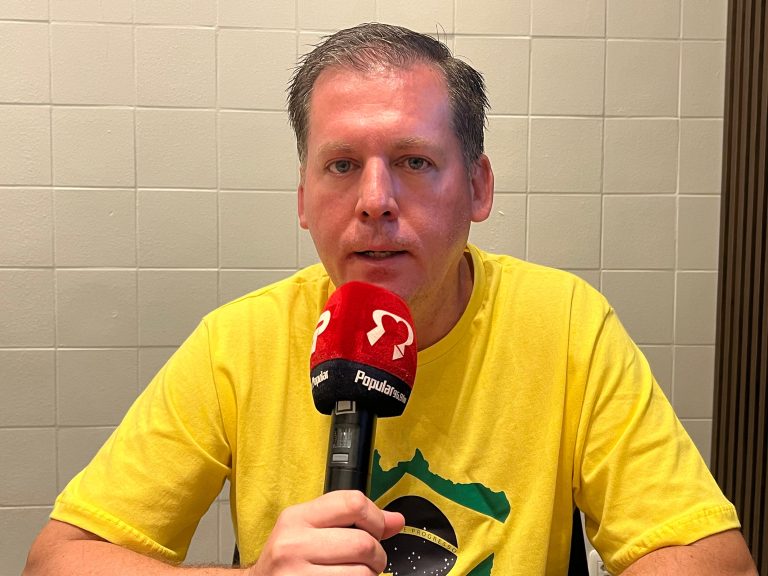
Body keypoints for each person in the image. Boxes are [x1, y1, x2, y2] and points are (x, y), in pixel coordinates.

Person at [24, 23, 757, 576]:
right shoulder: (238, 341)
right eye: (342, 165)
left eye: (413, 161)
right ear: (304, 198)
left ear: (478, 187)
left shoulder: (565, 324)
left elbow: (713, 559)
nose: (375, 200)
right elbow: (58, 560)